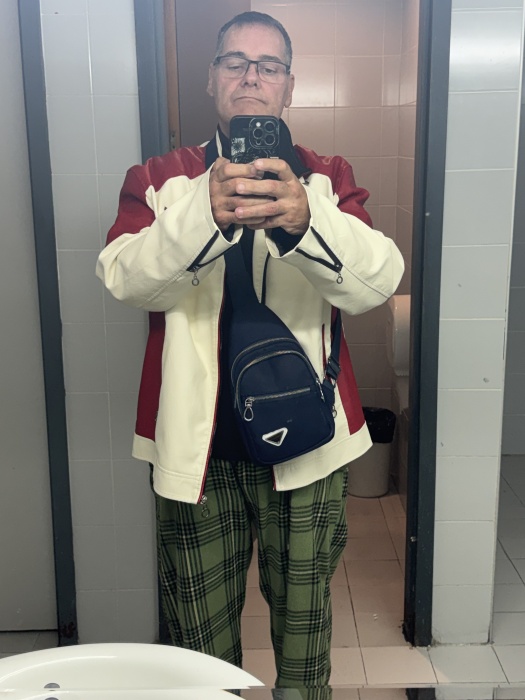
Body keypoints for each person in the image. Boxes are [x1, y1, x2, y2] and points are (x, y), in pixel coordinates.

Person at [96, 10, 404, 692]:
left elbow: (379, 279)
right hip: (196, 452)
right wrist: (201, 216)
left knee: (304, 640)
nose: (250, 78)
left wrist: (306, 221)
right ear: (211, 79)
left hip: (308, 443)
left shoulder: (325, 178)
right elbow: (122, 277)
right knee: (198, 650)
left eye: (268, 67)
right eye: (234, 63)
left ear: (289, 86)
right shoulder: (163, 178)